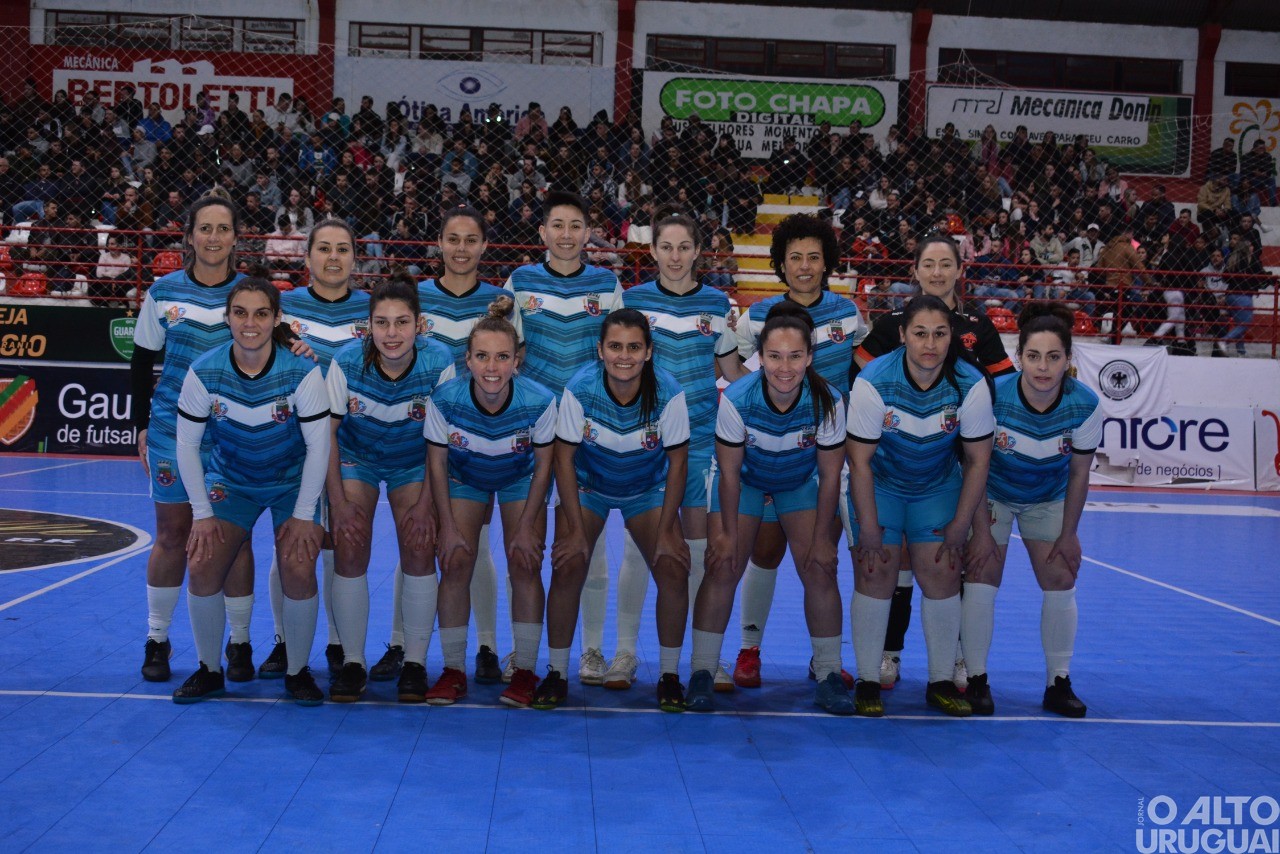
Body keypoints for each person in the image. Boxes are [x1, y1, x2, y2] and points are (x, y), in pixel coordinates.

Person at [853, 234, 1016, 692]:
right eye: (930, 263)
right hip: (891, 459)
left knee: (945, 564)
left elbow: (1002, 388)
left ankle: (952, 668)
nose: (938, 271)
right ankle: (884, 658)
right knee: (888, 564)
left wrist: (973, 419)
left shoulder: (976, 334)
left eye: (947, 263)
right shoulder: (886, 336)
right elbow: (859, 378)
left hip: (951, 464)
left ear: (960, 270)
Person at [602, 209, 744, 690]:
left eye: (685, 247)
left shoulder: (717, 302)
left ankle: (706, 657)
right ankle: (624, 654)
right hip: (647, 440)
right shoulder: (633, 300)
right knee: (641, 550)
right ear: (653, 250)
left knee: (699, 550)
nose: (676, 256)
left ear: (699, 251)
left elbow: (730, 371)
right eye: (666, 247)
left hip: (701, 441)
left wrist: (782, 401)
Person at [171, 278, 330, 705]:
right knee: (202, 560)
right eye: (240, 312)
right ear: (227, 318)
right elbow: (186, 445)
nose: (250, 323)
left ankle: (297, 671)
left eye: (261, 313)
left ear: (277, 318)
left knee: (298, 564)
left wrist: (302, 513)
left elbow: (319, 447)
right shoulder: (204, 371)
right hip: (232, 481)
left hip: (290, 481)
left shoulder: (302, 371)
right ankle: (208, 669)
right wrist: (202, 515)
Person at [687, 303, 851, 714]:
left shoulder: (828, 400)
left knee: (819, 566)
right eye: (774, 356)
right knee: (722, 565)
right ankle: (703, 670)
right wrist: (724, 535)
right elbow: (728, 474)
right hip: (744, 481)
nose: (784, 367)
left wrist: (822, 539)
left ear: (810, 357)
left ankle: (829, 673)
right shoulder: (739, 398)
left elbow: (830, 477)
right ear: (760, 356)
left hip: (797, 482)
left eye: (795, 356)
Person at [730, 213, 868, 690]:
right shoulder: (756, 315)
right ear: (780, 264)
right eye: (795, 258)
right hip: (770, 451)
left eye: (814, 256)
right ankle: (749, 650)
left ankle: (823, 659)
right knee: (765, 552)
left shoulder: (849, 314)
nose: (805, 266)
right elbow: (733, 371)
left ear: (826, 261)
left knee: (819, 556)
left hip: (827, 456)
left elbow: (867, 375)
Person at [845, 294, 996, 718]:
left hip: (936, 486)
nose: (930, 343)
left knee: (944, 572)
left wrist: (962, 524)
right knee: (874, 569)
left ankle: (940, 681)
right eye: (920, 333)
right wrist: (870, 528)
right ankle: (867, 680)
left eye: (940, 333)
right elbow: (859, 461)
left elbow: (978, 459)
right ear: (902, 336)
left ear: (953, 337)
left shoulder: (970, 383)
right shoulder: (873, 379)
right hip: (881, 484)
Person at [535, 309, 692, 711]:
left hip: (646, 488)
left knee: (673, 565)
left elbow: (678, 463)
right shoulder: (580, 389)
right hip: (589, 486)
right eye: (615, 346)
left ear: (649, 352)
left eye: (634, 347)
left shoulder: (670, 392)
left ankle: (670, 675)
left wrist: (671, 528)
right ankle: (555, 672)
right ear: (601, 350)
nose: (625, 356)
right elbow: (564, 459)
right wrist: (572, 527)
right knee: (568, 563)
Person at [503, 191, 624, 686]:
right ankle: (524, 650)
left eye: (576, 225)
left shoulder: (608, 284)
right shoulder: (520, 282)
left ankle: (591, 650)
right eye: (558, 225)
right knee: (526, 543)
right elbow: (510, 353)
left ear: (589, 232)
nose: (567, 234)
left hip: (588, 432)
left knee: (583, 543)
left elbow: (619, 356)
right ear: (543, 232)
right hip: (532, 430)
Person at [132, 197, 255, 685]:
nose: (213, 237)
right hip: (170, 429)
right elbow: (142, 362)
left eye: (222, 229)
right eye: (205, 228)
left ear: (234, 237)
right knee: (171, 534)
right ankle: (157, 639)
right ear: (190, 235)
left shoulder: (249, 294)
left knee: (234, 540)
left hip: (232, 435)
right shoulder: (163, 292)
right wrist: (140, 427)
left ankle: (240, 642)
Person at [960, 302, 1101, 718]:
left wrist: (1069, 534)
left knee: (1060, 573)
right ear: (1018, 356)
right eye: (1034, 356)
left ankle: (1058, 681)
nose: (1043, 367)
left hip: (1048, 496)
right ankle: (977, 679)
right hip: (993, 494)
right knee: (983, 571)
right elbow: (975, 465)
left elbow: (1079, 475)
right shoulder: (992, 397)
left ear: (1068, 360)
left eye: (1054, 357)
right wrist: (981, 531)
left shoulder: (1085, 405)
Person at [422, 296, 557, 707]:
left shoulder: (540, 400)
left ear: (518, 360)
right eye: (482, 356)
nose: (492, 367)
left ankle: (527, 671)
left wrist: (528, 526)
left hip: (520, 480)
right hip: (465, 477)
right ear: (467, 360)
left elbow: (544, 468)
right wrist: (445, 527)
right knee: (456, 560)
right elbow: (437, 465)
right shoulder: (444, 399)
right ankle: (452, 670)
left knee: (525, 561)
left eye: (502, 357)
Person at [325, 277, 454, 703]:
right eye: (382, 323)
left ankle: (414, 663)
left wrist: (425, 504)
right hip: (357, 458)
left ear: (420, 325)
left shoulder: (439, 362)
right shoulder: (345, 363)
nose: (392, 333)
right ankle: (353, 662)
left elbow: (441, 443)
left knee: (419, 546)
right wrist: (339, 502)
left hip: (415, 461)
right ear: (368, 327)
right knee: (348, 543)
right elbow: (327, 436)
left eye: (402, 322)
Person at [396, 206, 510, 684]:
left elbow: (508, 363)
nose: (461, 248)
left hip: (486, 439)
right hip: (422, 436)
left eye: (471, 239)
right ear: (438, 244)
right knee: (417, 542)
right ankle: (403, 645)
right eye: (452, 238)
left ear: (484, 246)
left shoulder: (502, 302)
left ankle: (485, 645)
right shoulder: (414, 299)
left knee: (474, 542)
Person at [257, 220, 373, 680]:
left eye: (343, 249)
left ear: (354, 258)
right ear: (306, 258)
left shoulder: (373, 309)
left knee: (339, 542)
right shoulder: (282, 309)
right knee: (291, 542)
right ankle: (287, 641)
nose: (332, 257)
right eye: (323, 248)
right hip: (292, 441)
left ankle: (340, 642)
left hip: (354, 443)